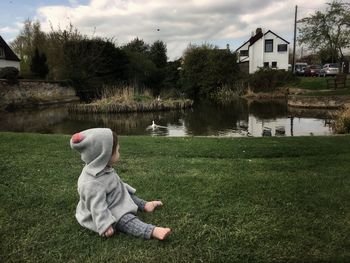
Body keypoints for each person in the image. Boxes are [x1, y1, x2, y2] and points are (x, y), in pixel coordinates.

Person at [70, 128, 171, 240]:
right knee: (123, 219)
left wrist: (125, 190)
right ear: (104, 156)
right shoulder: (90, 183)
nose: (119, 152)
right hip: (106, 209)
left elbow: (116, 184)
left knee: (129, 196)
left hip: (114, 198)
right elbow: (96, 206)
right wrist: (104, 224)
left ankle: (145, 205)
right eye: (117, 151)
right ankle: (152, 231)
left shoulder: (104, 167)